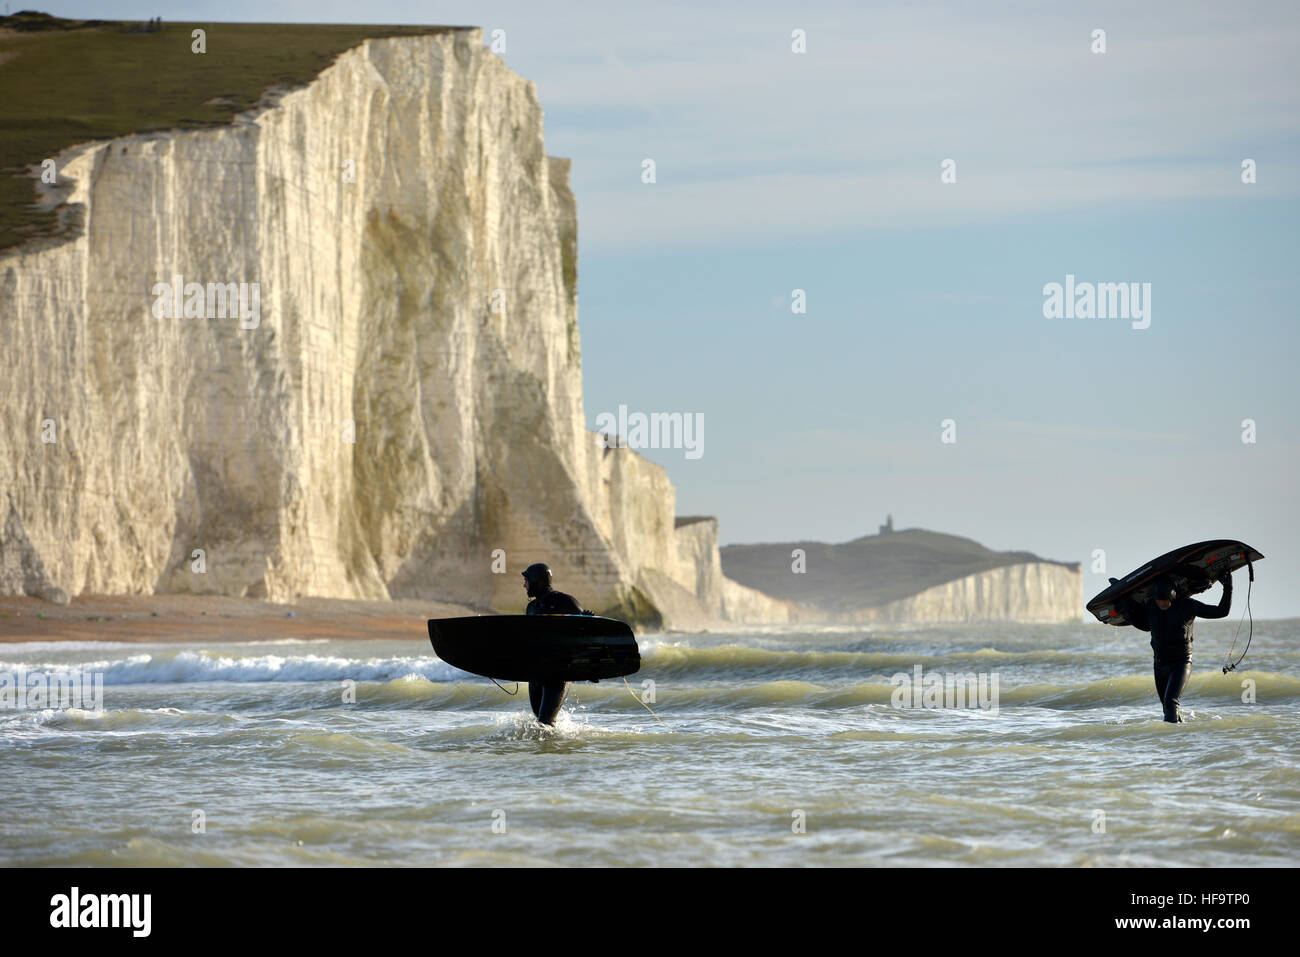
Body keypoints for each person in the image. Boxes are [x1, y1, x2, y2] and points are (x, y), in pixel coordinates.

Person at [1119, 570, 1232, 723]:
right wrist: (1125, 606)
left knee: (1171, 702)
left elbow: (1221, 611)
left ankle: (1170, 739)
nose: (1162, 604)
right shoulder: (1151, 605)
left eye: (1165, 600)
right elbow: (1144, 625)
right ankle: (1178, 737)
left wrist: (1228, 587)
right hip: (1159, 664)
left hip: (1181, 663)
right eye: (1159, 601)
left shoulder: (1187, 606)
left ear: (1172, 596)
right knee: (1166, 707)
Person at [521, 562, 590, 725]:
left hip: (559, 673)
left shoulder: (566, 602)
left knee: (546, 723)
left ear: (537, 581)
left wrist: (588, 620)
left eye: (527, 580)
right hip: (537, 674)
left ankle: (555, 749)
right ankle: (548, 749)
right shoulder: (531, 608)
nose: (524, 585)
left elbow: (585, 635)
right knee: (539, 723)